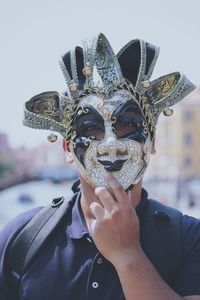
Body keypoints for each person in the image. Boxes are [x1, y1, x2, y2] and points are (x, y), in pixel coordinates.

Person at [0, 33, 200, 300]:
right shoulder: (21, 238)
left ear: (152, 142)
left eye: (127, 125)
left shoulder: (189, 239)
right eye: (91, 129)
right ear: (68, 149)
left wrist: (128, 256)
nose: (110, 144)